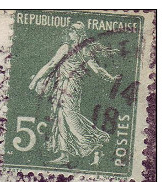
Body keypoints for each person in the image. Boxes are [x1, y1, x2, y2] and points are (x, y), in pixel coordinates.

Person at [29, 21, 119, 165]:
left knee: (70, 117)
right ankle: (64, 154)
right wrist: (110, 77)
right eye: (70, 30)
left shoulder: (74, 49)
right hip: (62, 86)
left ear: (78, 34)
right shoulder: (80, 49)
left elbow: (52, 65)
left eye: (72, 31)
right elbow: (52, 64)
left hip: (70, 87)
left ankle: (95, 141)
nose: (69, 33)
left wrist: (35, 80)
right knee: (60, 117)